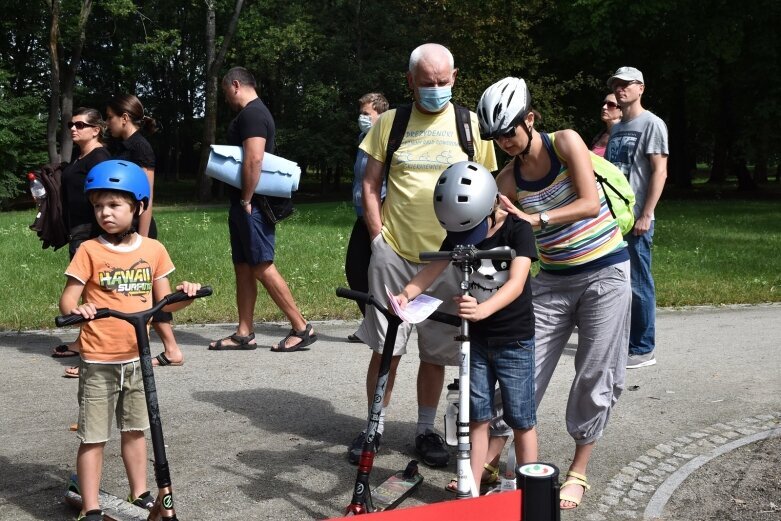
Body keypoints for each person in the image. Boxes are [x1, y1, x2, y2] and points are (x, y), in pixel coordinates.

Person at [478, 76, 631, 510]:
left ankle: (579, 467)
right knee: (519, 368)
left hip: (605, 272)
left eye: (510, 130)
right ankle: (490, 459)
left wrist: (536, 220)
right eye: (496, 136)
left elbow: (587, 202)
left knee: (595, 373)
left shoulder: (566, 142)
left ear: (530, 119)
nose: (505, 141)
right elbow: (493, 228)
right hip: (553, 279)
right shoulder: (507, 179)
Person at [348, 43, 497, 467]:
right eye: (427, 82)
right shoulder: (390, 124)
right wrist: (377, 238)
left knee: (438, 352)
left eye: (443, 81)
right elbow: (370, 184)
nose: (436, 89)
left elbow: (488, 188)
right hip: (394, 253)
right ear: (410, 81)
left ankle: (425, 430)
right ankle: (374, 427)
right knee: (386, 348)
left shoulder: (471, 126)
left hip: (451, 257)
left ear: (454, 78)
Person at [59, 160, 201, 521]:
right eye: (98, 205)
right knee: (93, 436)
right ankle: (90, 507)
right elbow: (67, 301)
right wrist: (83, 307)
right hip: (98, 359)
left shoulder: (153, 250)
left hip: (137, 358)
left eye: (114, 205)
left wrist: (187, 293)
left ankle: (139, 493)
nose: (105, 213)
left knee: (136, 431)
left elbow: (164, 305)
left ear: (137, 206)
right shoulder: (89, 250)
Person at [390, 161, 538, 494]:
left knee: (521, 418)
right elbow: (432, 268)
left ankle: (532, 491)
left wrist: (483, 309)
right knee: (477, 416)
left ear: (491, 204)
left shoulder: (518, 230)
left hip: (514, 340)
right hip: (476, 341)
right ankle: (470, 485)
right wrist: (405, 295)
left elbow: (516, 283)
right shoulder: (461, 232)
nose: (466, 242)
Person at [208, 66, 316, 352]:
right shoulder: (251, 113)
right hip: (244, 204)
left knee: (261, 265)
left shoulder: (253, 114)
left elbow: (254, 159)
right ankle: (244, 333)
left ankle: (301, 327)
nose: (226, 98)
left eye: (224, 92)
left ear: (235, 85)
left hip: (251, 205)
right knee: (243, 267)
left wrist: (245, 198)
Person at [105, 94, 184, 368]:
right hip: (126, 228)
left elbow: (146, 198)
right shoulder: (124, 145)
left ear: (124, 118)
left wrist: (144, 238)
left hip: (141, 229)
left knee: (150, 291)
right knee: (141, 290)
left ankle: (169, 350)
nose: (107, 123)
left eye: (110, 117)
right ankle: (168, 350)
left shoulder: (141, 148)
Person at [605, 67, 669, 369]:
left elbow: (660, 171)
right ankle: (628, 341)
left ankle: (644, 349)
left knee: (639, 283)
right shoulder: (617, 128)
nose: (620, 90)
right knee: (619, 282)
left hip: (638, 219)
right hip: (614, 219)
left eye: (626, 85)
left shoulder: (652, 124)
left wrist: (646, 214)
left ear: (640, 88)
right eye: (616, 85)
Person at [52, 108, 111, 371]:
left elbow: (105, 198)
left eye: (79, 125)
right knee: (87, 289)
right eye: (70, 125)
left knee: (91, 290)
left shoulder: (99, 158)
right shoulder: (80, 155)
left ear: (95, 130)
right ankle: (83, 340)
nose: (73, 129)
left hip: (90, 229)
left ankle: (95, 348)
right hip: (77, 228)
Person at [344, 92, 389, 337]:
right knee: (356, 270)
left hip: (379, 214)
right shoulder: (363, 139)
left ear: (381, 116)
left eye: (366, 114)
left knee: (376, 271)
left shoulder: (387, 142)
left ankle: (380, 325)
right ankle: (372, 322)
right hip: (362, 214)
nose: (361, 118)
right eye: (360, 113)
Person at [589, 93, 622, 157]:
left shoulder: (626, 136)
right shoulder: (599, 135)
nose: (604, 107)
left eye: (611, 104)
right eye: (604, 104)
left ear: (622, 111)